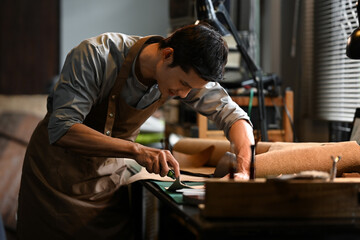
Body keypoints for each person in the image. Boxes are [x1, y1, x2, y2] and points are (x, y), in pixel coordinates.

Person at [17, 23, 254, 239]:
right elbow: (63, 128)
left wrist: (243, 171)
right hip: (53, 181)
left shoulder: (188, 74)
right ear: (167, 54)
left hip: (108, 183)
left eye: (190, 89)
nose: (184, 95)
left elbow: (235, 118)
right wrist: (136, 150)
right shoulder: (95, 55)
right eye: (182, 84)